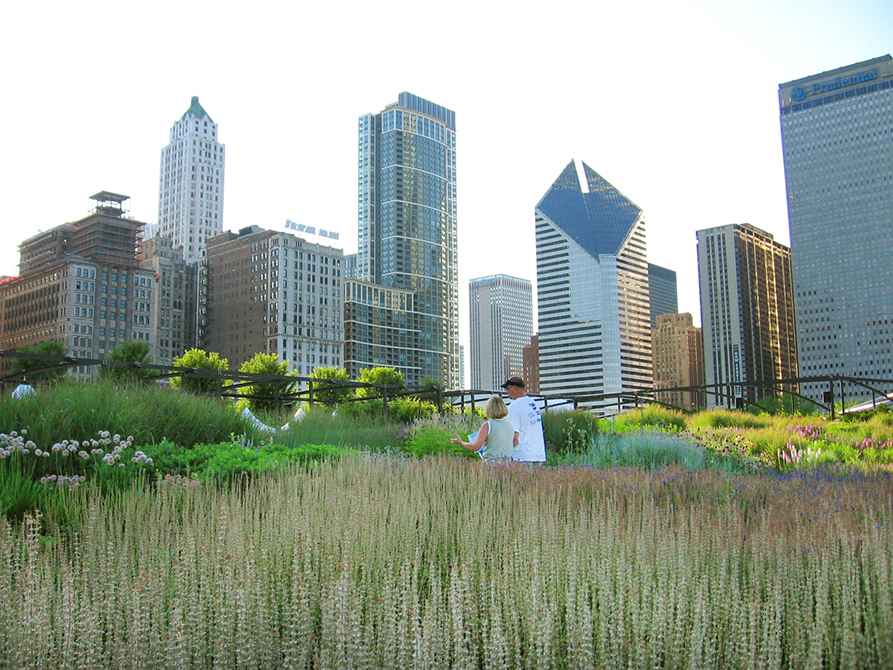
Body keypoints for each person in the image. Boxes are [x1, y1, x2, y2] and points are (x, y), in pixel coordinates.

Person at [451, 395, 514, 461]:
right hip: (507, 463)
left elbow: (475, 447)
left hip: (492, 462)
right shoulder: (509, 426)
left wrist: (461, 442)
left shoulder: (488, 425)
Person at [501, 376, 546, 462]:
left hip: (522, 455)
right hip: (538, 454)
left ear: (514, 387)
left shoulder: (514, 407)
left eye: (508, 388)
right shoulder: (533, 403)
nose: (507, 392)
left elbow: (514, 436)